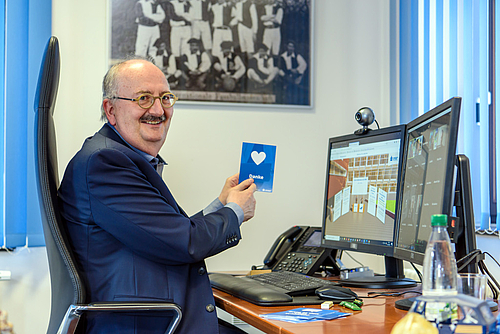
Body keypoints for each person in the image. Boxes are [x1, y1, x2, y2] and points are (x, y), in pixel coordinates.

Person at [58, 58, 257, 334]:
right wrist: (235, 211)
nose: (158, 109)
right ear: (111, 109)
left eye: (165, 98)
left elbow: (170, 234)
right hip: (146, 324)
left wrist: (222, 204)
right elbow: (185, 242)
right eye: (143, 98)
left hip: (159, 317)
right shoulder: (104, 163)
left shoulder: (119, 158)